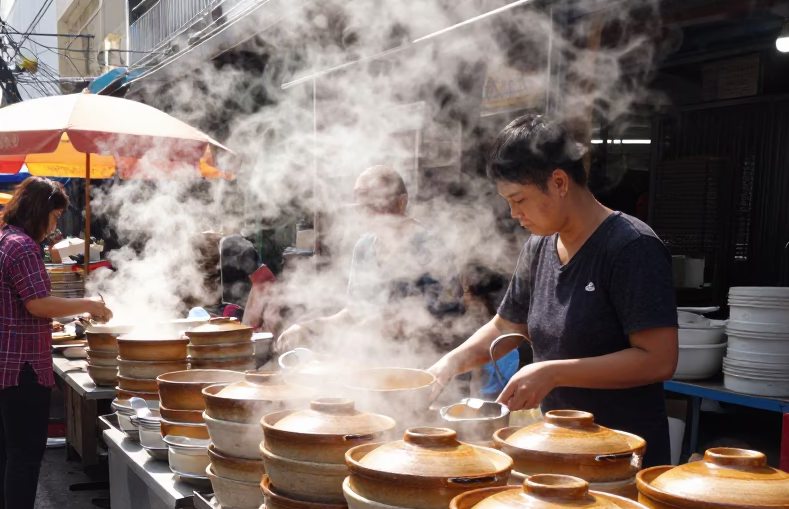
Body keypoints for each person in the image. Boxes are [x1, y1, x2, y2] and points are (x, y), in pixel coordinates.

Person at [427, 115, 679, 464]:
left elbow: (659, 359)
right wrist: (447, 364)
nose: (514, 213)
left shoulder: (631, 247)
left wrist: (553, 371)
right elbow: (506, 327)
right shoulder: (539, 246)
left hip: (620, 458)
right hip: (558, 449)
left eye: (519, 199)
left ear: (559, 182)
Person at [0, 178, 111, 509]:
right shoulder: (23, 247)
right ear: (39, 211)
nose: (55, 225)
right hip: (20, 367)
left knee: (1, 449)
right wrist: (90, 306)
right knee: (24, 453)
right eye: (55, 215)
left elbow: (14, 306)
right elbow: (38, 304)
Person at [276, 165, 464, 361]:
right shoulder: (364, 247)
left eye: (374, 198)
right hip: (373, 364)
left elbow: (444, 320)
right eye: (359, 197)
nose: (364, 207)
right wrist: (308, 327)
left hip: (425, 365)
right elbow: (354, 312)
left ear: (401, 202)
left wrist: (374, 328)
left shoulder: (431, 246)